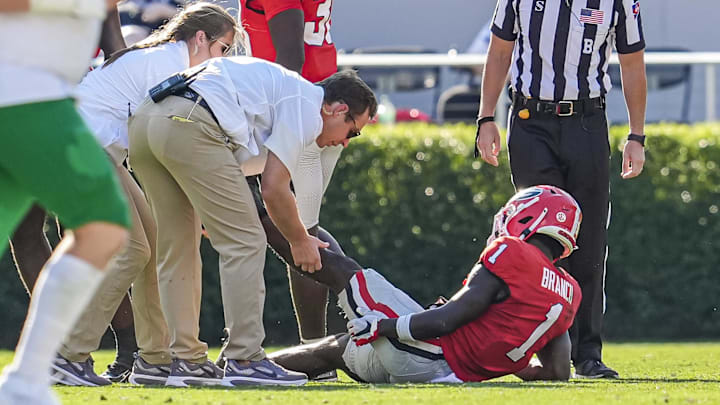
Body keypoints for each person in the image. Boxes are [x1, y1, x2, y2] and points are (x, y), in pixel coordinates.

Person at [128, 59, 377, 386]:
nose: (345, 142)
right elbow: (274, 188)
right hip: (191, 122)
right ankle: (245, 360)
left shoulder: (284, 95)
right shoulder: (305, 103)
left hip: (148, 122)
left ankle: (162, 361)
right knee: (246, 242)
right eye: (352, 131)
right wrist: (300, 240)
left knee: (176, 248)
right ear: (336, 109)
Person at [47, 2, 240, 388]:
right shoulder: (170, 65)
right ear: (199, 38)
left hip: (96, 149)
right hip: (80, 147)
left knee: (150, 240)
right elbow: (168, 142)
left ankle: (155, 359)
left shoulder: (168, 60)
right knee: (133, 248)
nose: (223, 58)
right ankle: (68, 355)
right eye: (223, 48)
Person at [474, 0, 647, 379]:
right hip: (530, 120)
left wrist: (637, 135)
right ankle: (544, 347)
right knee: (536, 240)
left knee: (588, 242)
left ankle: (588, 353)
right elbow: (500, 49)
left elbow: (632, 62)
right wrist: (486, 117)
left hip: (586, 121)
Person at [261, 185, 582, 383]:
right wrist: (502, 360)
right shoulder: (569, 291)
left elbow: (450, 317)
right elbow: (557, 371)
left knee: (343, 270)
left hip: (428, 354)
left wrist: (385, 327)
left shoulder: (512, 252)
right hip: (449, 373)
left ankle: (256, 213)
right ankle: (245, 369)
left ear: (528, 216)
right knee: (337, 349)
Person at [0, 0, 131, 404]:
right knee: (103, 220)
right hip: (25, 95)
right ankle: (26, 380)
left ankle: (26, 380)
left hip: (28, 93)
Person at [239, 0, 342, 357]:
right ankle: (326, 340)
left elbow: (290, 56)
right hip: (321, 105)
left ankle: (316, 350)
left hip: (300, 110)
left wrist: (281, 120)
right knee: (298, 229)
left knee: (291, 231)